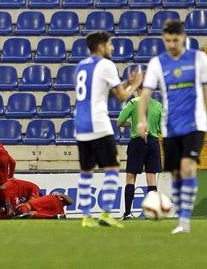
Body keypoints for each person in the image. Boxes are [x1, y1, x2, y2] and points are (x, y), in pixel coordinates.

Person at [137, 18, 207, 235]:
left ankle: (184, 221)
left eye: (175, 40)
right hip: (170, 126)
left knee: (188, 167)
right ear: (163, 39)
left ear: (184, 38)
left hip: (195, 123)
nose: (172, 44)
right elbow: (145, 94)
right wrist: (141, 119)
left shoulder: (199, 59)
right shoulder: (157, 63)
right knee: (176, 174)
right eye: (168, 40)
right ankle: (180, 215)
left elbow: (205, 90)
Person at [74, 31, 142, 229]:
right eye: (110, 45)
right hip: (99, 124)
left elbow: (100, 92)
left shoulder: (81, 66)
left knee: (86, 171)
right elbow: (121, 97)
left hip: (80, 125)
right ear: (102, 47)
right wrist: (135, 84)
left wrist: (126, 82)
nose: (112, 48)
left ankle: (86, 217)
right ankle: (105, 214)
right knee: (112, 167)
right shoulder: (106, 64)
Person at [117, 89, 162, 220]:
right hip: (153, 143)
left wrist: (131, 123)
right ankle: (152, 213)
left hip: (137, 143)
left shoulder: (134, 102)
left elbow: (119, 122)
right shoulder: (158, 105)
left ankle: (128, 213)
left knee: (131, 178)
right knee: (151, 179)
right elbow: (161, 128)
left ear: (138, 89)